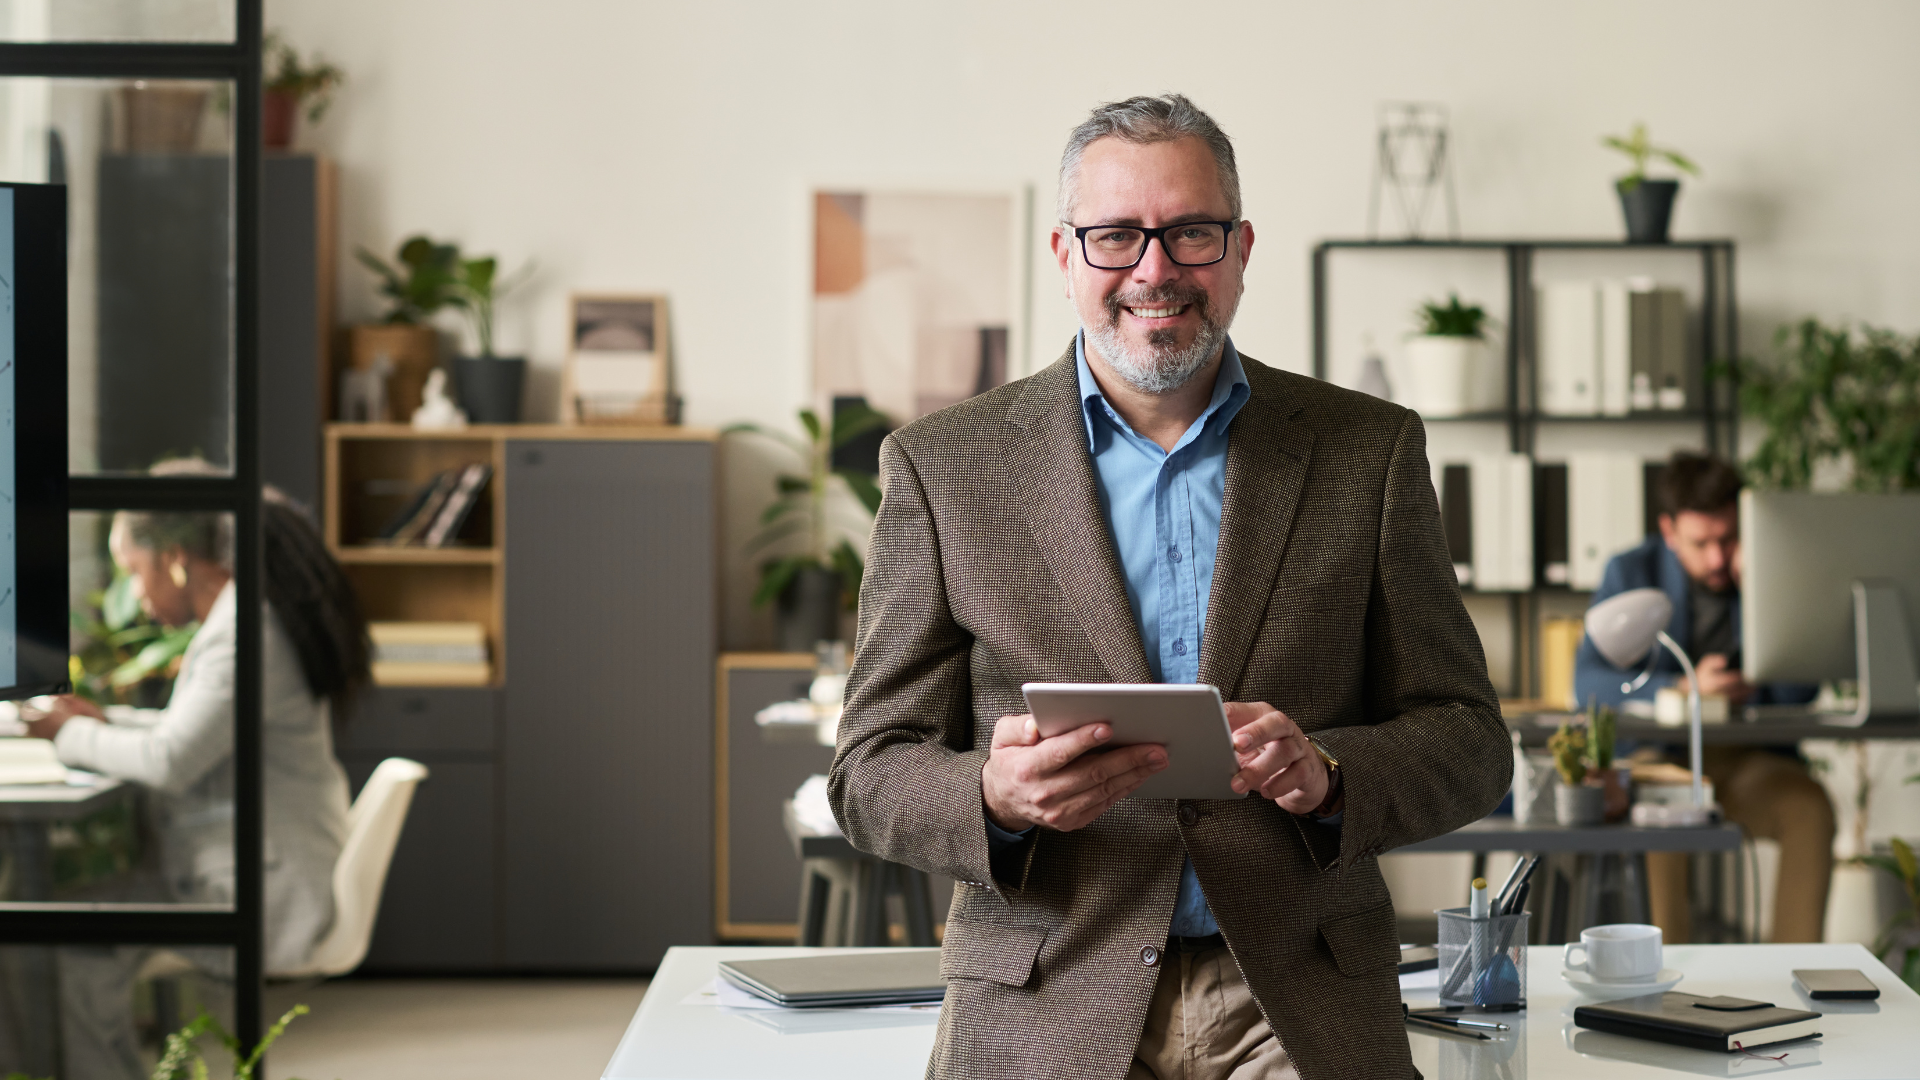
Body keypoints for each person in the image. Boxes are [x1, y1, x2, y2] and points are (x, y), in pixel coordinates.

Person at [828, 95, 1510, 1080]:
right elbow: (868, 771)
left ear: (1238, 249)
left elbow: (1470, 739)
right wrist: (992, 794)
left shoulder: (1371, 451)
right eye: (1115, 236)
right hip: (1049, 989)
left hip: (1297, 990)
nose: (1155, 270)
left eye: (1191, 232)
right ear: (1066, 256)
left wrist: (1332, 776)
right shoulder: (943, 467)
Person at [22, 467, 367, 1076]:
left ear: (177, 559)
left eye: (134, 572)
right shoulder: (248, 615)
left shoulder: (241, 633)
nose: (135, 595)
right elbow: (195, 733)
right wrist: (106, 721)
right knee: (61, 927)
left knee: (59, 941)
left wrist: (68, 732)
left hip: (251, 883)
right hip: (243, 862)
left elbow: (173, 761)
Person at [1572, 451, 1833, 943]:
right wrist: (1678, 689)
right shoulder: (1631, 571)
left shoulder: (1770, 572)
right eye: (1701, 542)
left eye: (1728, 538)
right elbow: (1586, 682)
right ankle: (1667, 980)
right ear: (1669, 532)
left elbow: (1804, 690)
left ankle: (1792, 969)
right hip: (1666, 760)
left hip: (1751, 760)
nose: (1717, 557)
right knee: (1657, 815)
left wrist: (1759, 587)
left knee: (1810, 808)